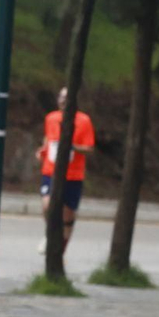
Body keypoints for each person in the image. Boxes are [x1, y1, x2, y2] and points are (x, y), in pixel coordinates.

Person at [37, 86, 95, 255]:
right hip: (50, 170)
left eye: (67, 97)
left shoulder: (83, 121)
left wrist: (72, 147)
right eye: (60, 97)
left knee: (68, 214)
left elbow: (89, 148)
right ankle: (50, 234)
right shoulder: (51, 118)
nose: (63, 100)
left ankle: (60, 252)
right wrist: (42, 150)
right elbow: (48, 139)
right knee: (47, 204)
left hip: (73, 174)